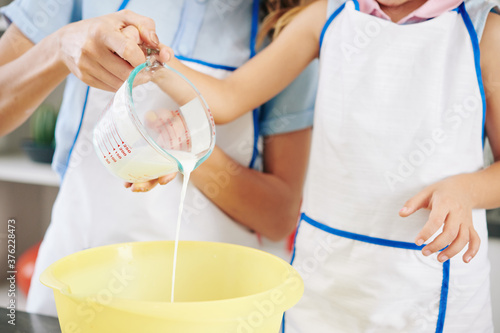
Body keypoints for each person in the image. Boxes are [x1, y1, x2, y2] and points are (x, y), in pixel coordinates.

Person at [157, 0, 500, 331]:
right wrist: (149, 60)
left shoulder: (486, 31)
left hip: (431, 292)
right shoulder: (326, 16)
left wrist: (466, 191)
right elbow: (229, 98)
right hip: (324, 283)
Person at [0, 0, 317, 316]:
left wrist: (179, 150)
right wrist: (60, 45)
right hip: (78, 291)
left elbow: (279, 217)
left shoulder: (289, 25)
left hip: (211, 308)